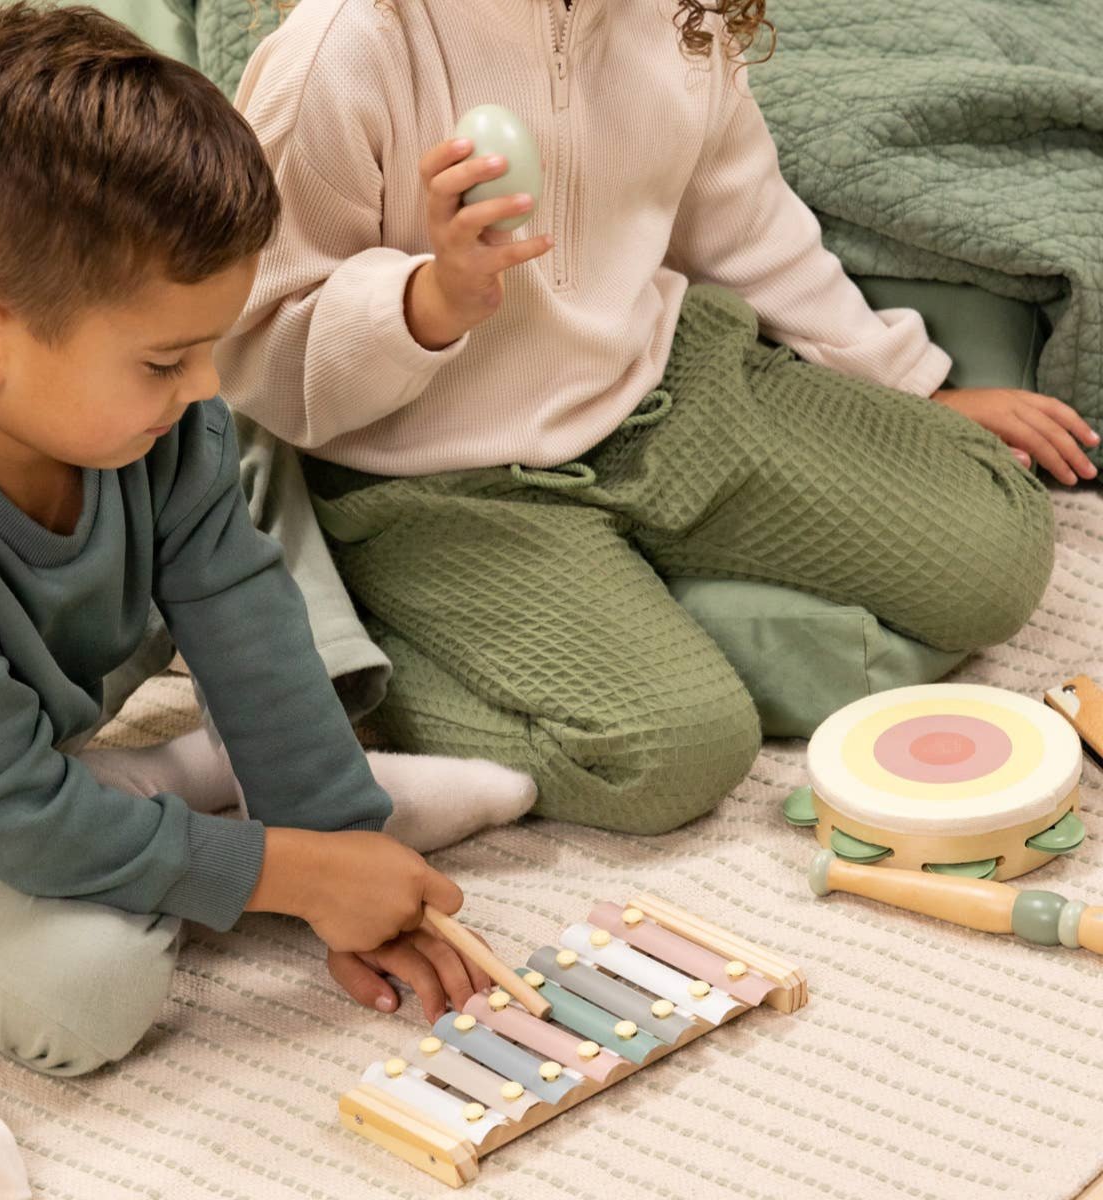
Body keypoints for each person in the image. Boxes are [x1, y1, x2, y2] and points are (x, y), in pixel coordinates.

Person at [218, 0, 1077, 835]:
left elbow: (745, 222)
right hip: (445, 488)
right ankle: (357, 662)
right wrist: (427, 301)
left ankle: (632, 604)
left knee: (997, 543)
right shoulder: (348, 44)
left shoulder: (682, 13)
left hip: (664, 396)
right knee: (670, 757)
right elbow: (252, 353)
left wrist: (907, 380)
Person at [0, 2, 532, 1077]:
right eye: (163, 362)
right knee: (96, 991)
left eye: (208, 350)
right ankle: (164, 790)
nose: (204, 389)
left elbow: (243, 612)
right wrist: (289, 877)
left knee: (231, 777)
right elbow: (7, 818)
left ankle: (171, 788)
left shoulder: (158, 420)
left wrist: (338, 838)